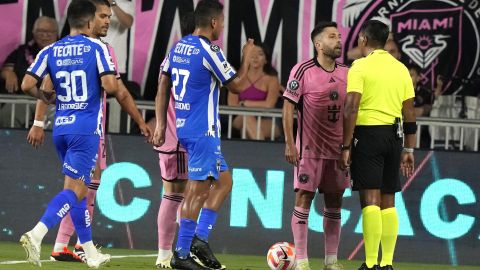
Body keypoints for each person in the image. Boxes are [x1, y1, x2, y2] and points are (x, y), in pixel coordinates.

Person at [19, 0, 152, 268]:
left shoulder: (51, 50)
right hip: (86, 130)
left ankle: (90, 253)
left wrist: (49, 98)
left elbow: (26, 85)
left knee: (77, 191)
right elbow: (110, 85)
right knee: (77, 190)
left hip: (61, 128)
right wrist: (111, 86)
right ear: (89, 22)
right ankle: (37, 233)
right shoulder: (97, 48)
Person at [153, 0, 254, 269]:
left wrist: (162, 124)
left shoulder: (179, 46)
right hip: (203, 131)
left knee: (224, 182)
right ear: (213, 22)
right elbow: (239, 85)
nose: (222, 25)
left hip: (186, 128)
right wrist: (247, 57)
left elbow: (163, 82)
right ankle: (182, 254)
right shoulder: (209, 50)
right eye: (221, 21)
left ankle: (199, 239)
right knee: (196, 193)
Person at [340, 20, 416, 270]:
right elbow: (410, 113)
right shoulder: (401, 69)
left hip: (368, 134)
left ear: (363, 39)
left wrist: (346, 145)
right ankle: (387, 263)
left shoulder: (360, 66)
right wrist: (409, 149)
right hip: (395, 137)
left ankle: (371, 263)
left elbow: (351, 107)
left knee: (370, 199)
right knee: (389, 199)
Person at [283, 22, 349, 270]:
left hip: (337, 150)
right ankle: (301, 260)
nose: (338, 41)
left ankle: (331, 261)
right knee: (304, 198)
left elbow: (352, 111)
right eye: (332, 37)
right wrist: (290, 143)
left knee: (334, 202)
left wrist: (348, 147)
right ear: (318, 44)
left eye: (339, 37)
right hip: (309, 150)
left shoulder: (348, 72)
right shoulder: (302, 70)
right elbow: (288, 107)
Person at [153, 12, 195, 269]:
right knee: (176, 193)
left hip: (180, 134)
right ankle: (167, 255)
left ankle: (175, 253)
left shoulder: (174, 54)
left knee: (185, 192)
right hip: (179, 135)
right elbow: (162, 90)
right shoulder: (190, 53)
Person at [0, 16, 58, 128]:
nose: (45, 35)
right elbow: (6, 70)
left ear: (57, 33)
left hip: (53, 102)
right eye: (41, 31)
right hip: (23, 100)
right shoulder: (22, 51)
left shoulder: (67, 51)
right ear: (33, 32)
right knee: (7, 114)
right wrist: (8, 73)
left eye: (49, 31)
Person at [227, 41, 282, 140]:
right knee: (246, 116)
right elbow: (232, 105)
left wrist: (245, 104)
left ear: (266, 59)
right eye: (252, 53)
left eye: (260, 54)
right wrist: (250, 108)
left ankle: (255, 153)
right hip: (239, 119)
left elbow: (269, 105)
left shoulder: (272, 79)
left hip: (267, 118)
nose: (255, 57)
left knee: (247, 131)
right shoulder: (236, 77)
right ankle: (264, 155)